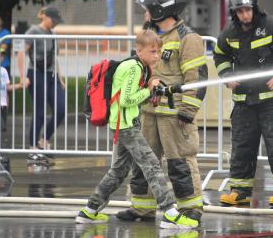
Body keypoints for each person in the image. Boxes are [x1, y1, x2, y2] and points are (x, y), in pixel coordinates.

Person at [75, 30, 199, 229]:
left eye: (158, 51)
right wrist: (148, 91)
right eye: (152, 51)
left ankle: (88, 211)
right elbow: (126, 99)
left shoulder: (139, 66)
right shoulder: (134, 67)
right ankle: (170, 213)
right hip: (126, 127)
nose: (156, 56)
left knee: (118, 171)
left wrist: (150, 91)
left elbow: (130, 96)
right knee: (152, 166)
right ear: (138, 50)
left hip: (123, 125)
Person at [116, 0, 208, 223]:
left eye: (147, 10)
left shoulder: (188, 38)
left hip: (174, 115)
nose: (144, 15)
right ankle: (142, 208)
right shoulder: (152, 38)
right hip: (148, 111)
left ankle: (190, 210)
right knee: (144, 161)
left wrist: (187, 112)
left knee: (180, 162)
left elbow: (196, 78)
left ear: (157, 11)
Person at [213, 0, 273, 209]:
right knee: (242, 147)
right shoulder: (229, 33)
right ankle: (239, 191)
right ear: (234, 13)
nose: (245, 14)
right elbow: (220, 55)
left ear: (254, 8)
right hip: (244, 102)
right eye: (240, 11)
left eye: (248, 9)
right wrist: (227, 76)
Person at [17, 6, 65, 163]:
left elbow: (54, 58)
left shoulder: (53, 33)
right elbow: (21, 52)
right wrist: (23, 76)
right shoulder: (33, 31)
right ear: (45, 17)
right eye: (54, 20)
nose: (56, 24)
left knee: (61, 109)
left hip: (51, 75)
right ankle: (32, 148)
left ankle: (44, 140)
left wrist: (60, 78)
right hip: (36, 74)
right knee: (40, 112)